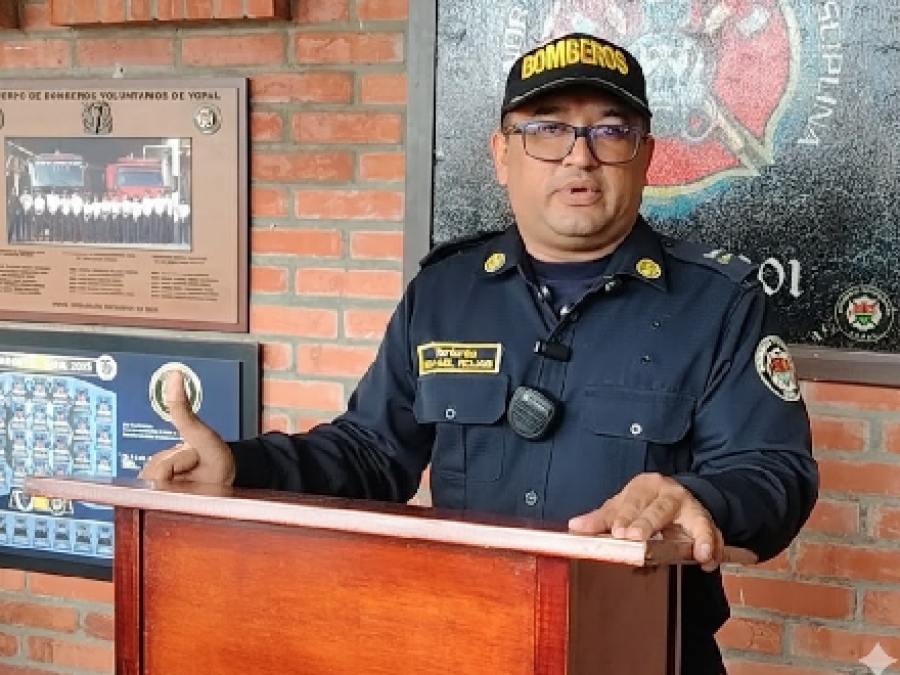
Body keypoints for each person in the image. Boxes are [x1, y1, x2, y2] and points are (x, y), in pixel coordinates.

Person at [140, 32, 819, 675]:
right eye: (547, 129)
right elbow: (370, 453)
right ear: (501, 154)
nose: (579, 156)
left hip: (642, 653)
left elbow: (774, 472)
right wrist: (243, 465)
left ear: (645, 156)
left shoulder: (718, 304)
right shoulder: (444, 293)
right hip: (468, 644)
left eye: (610, 131)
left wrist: (695, 497)